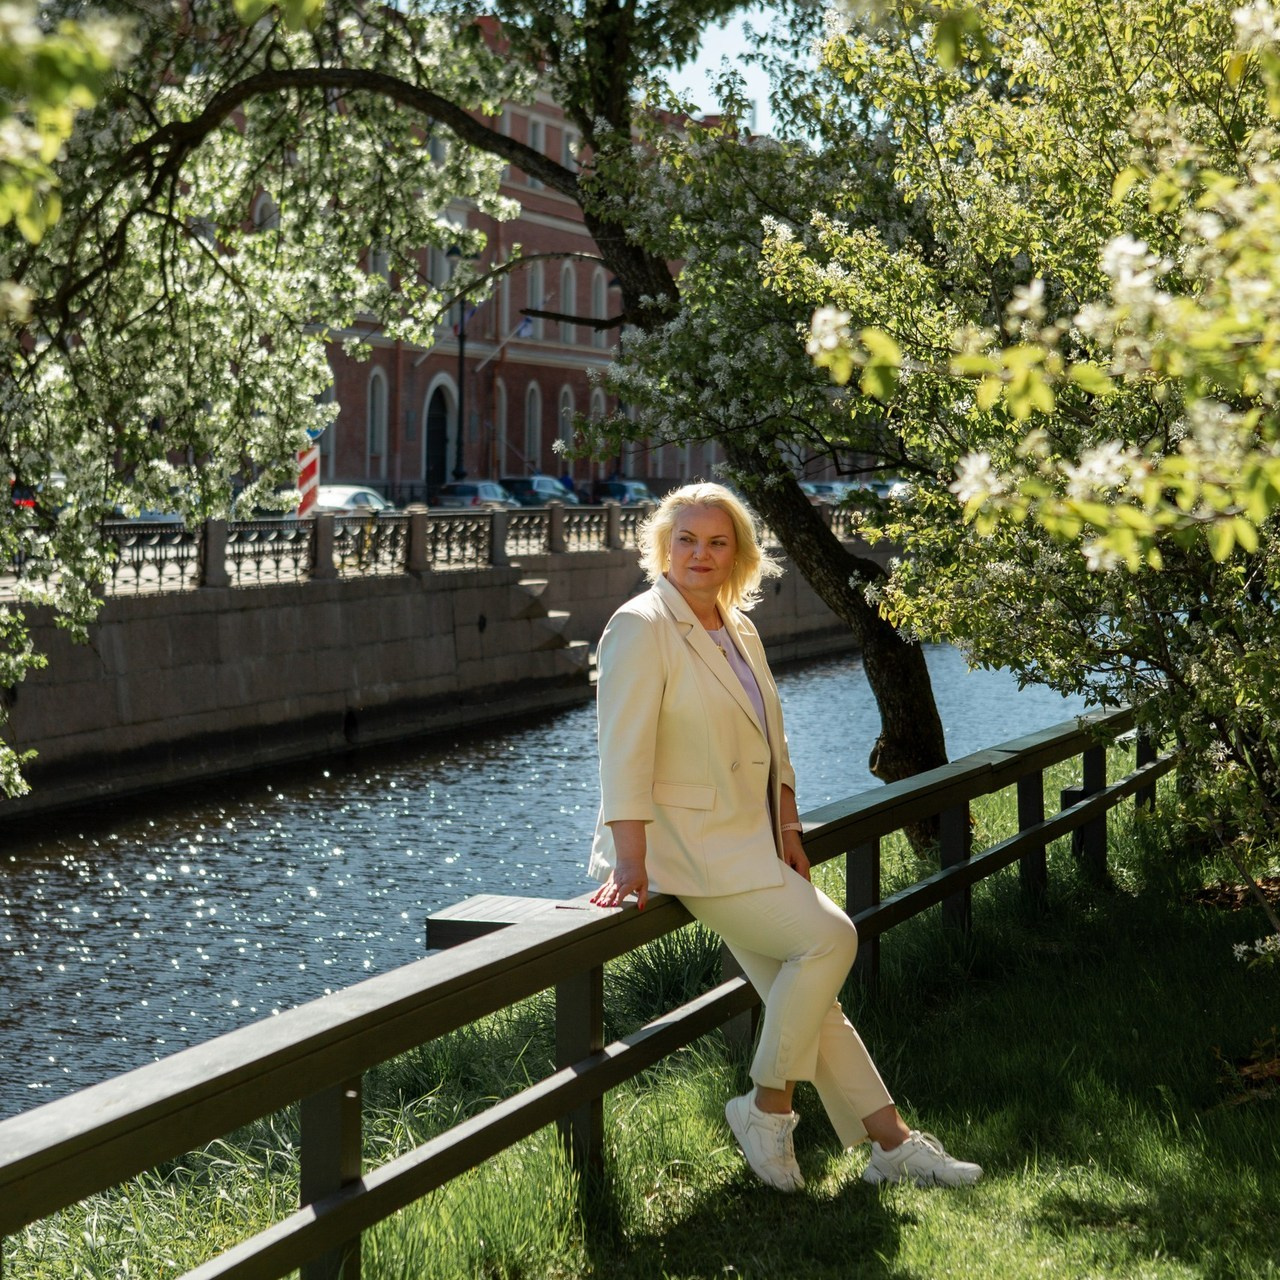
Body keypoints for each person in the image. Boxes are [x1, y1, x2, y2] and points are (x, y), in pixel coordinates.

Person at [587, 482, 982, 1192]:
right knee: (830, 940)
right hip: (693, 851)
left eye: (717, 542)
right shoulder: (640, 626)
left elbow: (775, 740)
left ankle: (891, 1146)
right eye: (686, 540)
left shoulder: (738, 626)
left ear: (737, 552)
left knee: (810, 1000)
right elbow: (622, 752)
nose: (700, 554)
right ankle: (766, 1108)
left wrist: (789, 825)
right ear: (662, 547)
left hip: (754, 842)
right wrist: (630, 860)